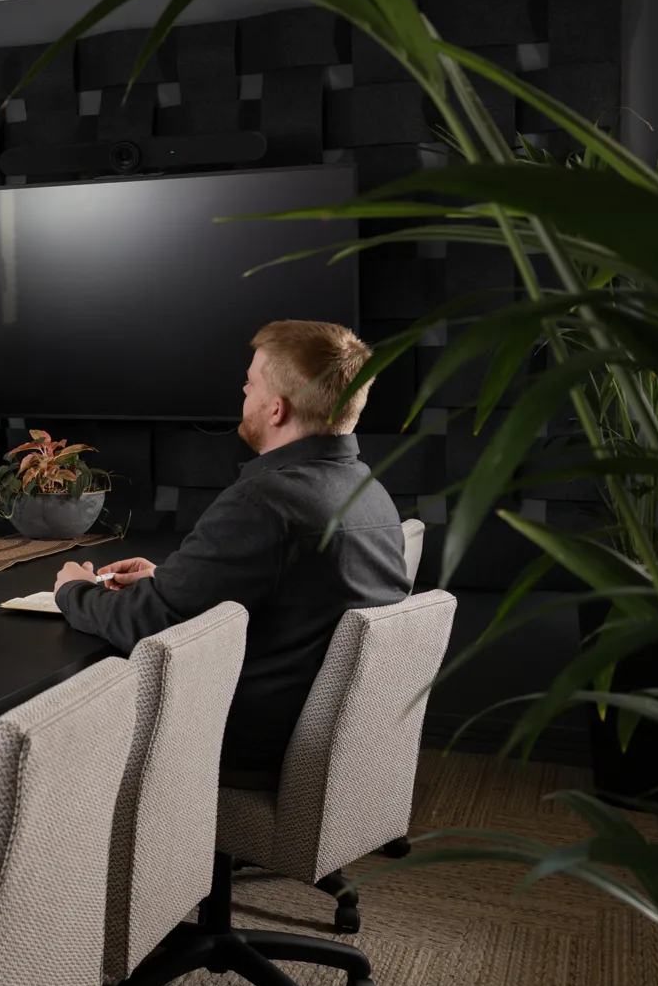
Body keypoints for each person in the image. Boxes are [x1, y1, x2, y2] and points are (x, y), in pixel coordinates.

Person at [53, 320, 410, 785]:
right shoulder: (370, 492)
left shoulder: (265, 501)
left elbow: (152, 625)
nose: (243, 391)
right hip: (331, 743)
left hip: (244, 744)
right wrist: (171, 579)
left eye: (251, 383)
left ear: (276, 409)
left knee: (58, 725)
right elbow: (291, 595)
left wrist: (74, 591)